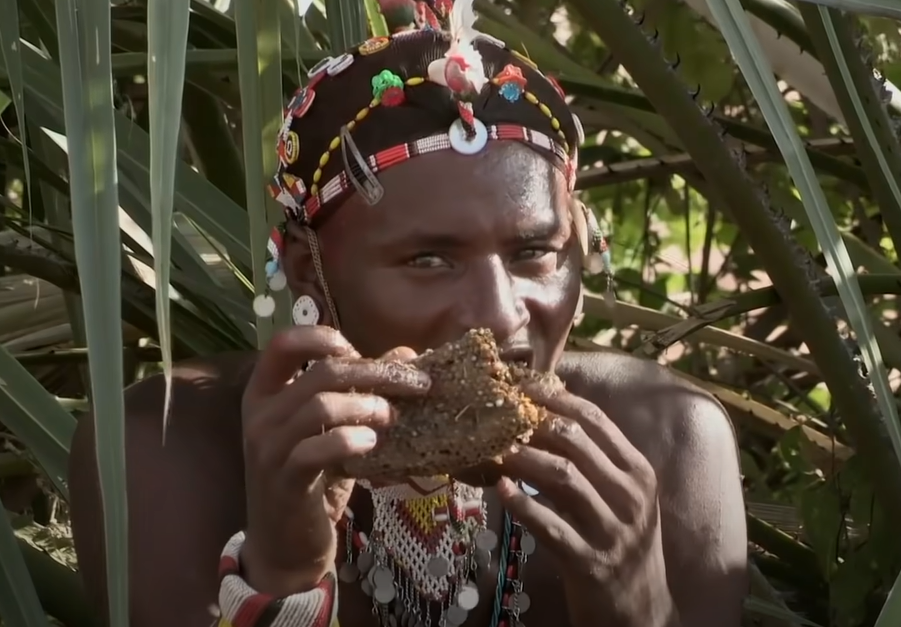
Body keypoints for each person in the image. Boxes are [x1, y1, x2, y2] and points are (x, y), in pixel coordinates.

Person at [67, 1, 747, 626]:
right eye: (428, 260)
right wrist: (282, 572)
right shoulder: (160, 447)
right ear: (312, 271)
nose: (497, 315)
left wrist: (636, 608)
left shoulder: (668, 439)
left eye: (533, 252)